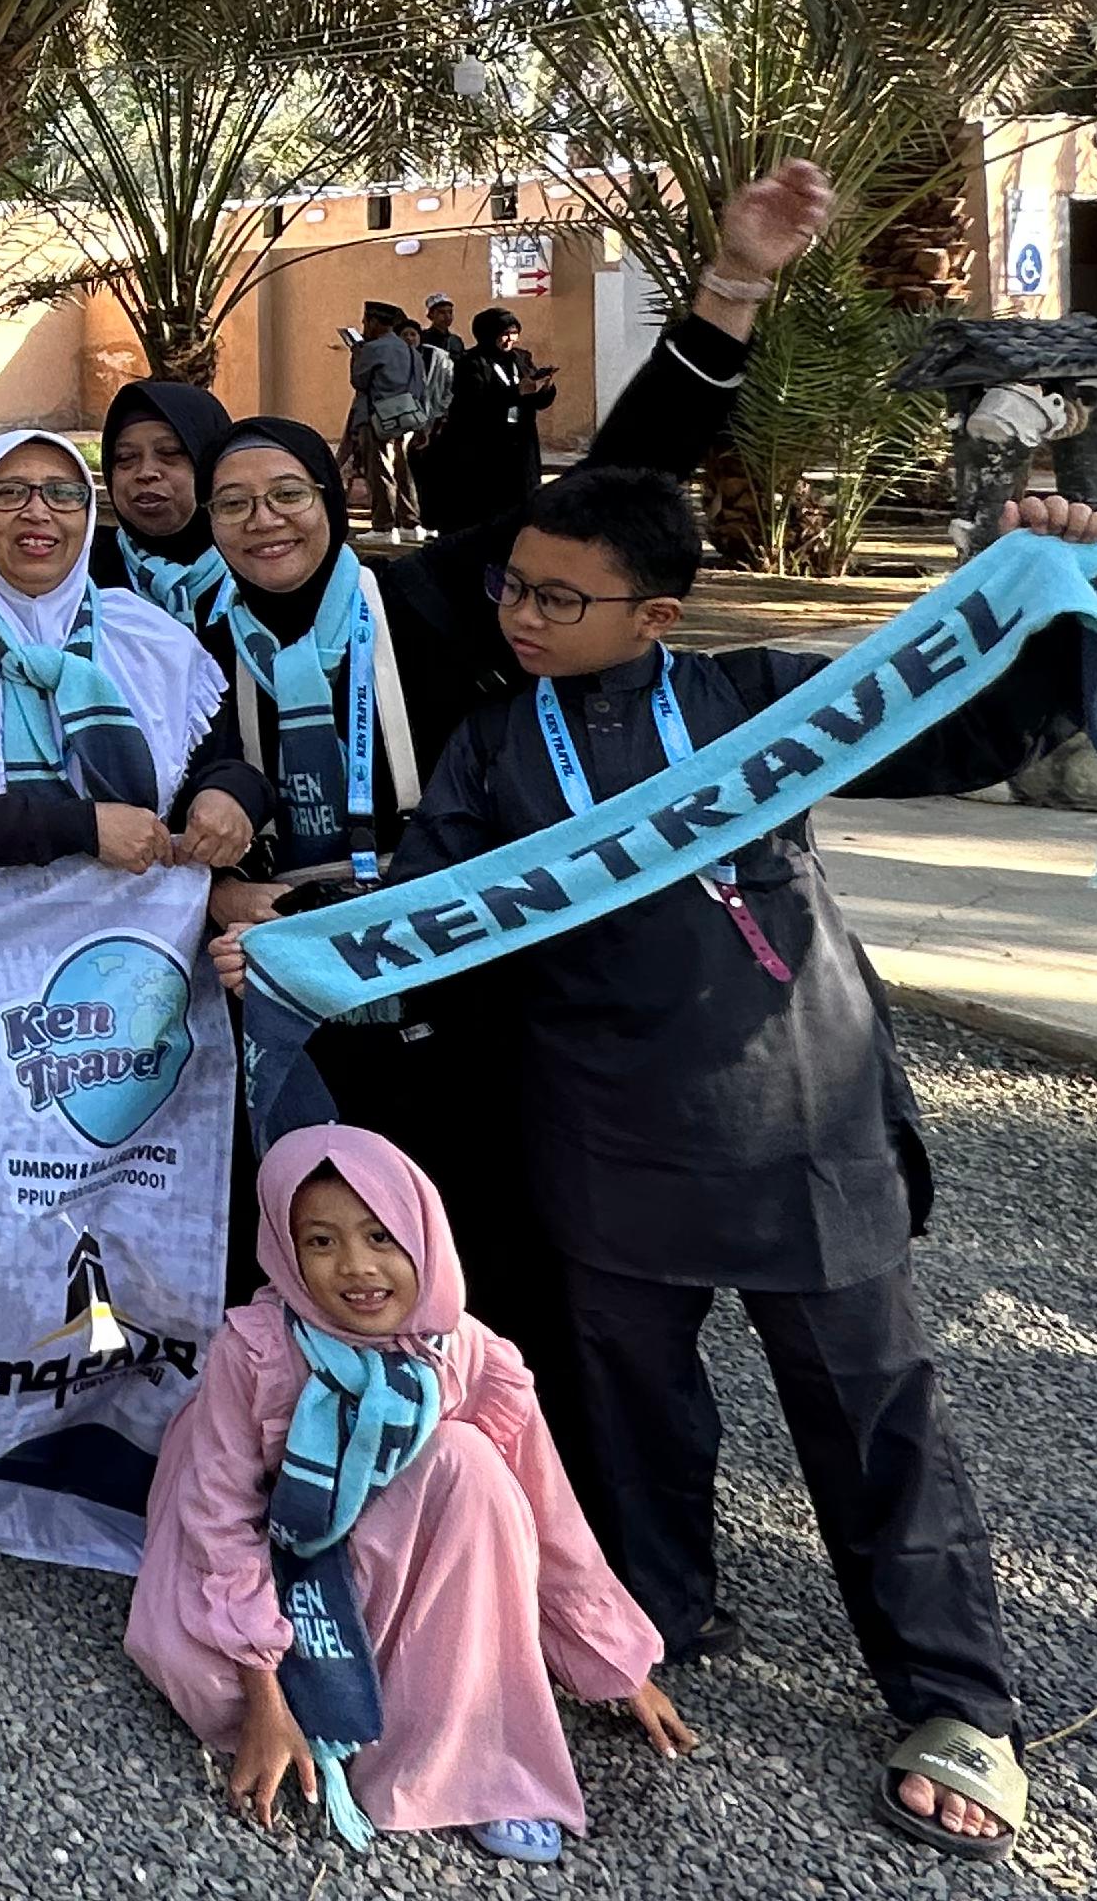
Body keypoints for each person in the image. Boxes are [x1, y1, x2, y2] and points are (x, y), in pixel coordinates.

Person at [372, 466, 1097, 1862]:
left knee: (872, 1413)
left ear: (654, 615)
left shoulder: (754, 702)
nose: (519, 614)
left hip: (802, 1116)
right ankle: (652, 1616)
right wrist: (296, 945)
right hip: (601, 1124)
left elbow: (954, 735)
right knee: (629, 1404)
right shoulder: (493, 742)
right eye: (511, 585)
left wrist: (1049, 605)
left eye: (557, 598)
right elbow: (423, 910)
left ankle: (954, 1698)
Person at [190, 162, 832, 1377]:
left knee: (480, 1246)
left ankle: (497, 1452)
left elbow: (622, 477)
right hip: (280, 987)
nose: (263, 520)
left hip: (457, 987)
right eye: (233, 504)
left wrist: (733, 288)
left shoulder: (436, 600)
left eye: (288, 493)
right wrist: (221, 893)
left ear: (333, 499)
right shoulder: (186, 651)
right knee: (301, 1243)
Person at [127, 1124, 688, 1865]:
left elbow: (550, 1513)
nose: (356, 1267)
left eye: (380, 1236)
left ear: (424, 1234)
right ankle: (347, 1699)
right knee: (209, 1682)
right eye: (320, 1242)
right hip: (275, 1555)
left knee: (475, 1465)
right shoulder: (259, 1349)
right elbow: (218, 1517)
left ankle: (476, 1754)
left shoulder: (464, 1350)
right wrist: (264, 1690)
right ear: (285, 1251)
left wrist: (616, 1661)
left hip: (389, 1559)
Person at [0, 432, 267, 873]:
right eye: (8, 493)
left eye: (64, 493)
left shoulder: (145, 633)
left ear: (87, 515)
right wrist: (82, 828)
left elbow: (222, 760)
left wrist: (228, 793)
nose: (37, 511)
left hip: (133, 907)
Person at [90, 378, 234, 631]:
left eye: (170, 453)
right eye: (125, 458)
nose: (146, 472)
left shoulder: (260, 565)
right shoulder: (80, 574)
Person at [414, 308, 557, 538]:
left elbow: (533, 400)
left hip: (519, 442)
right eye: (504, 334)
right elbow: (474, 401)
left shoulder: (520, 359)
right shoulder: (471, 362)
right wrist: (516, 392)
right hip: (484, 445)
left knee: (521, 496)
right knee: (486, 502)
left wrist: (545, 389)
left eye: (513, 333)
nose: (509, 340)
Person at [343, 306, 428, 536]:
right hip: (407, 417)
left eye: (366, 322)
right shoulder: (410, 350)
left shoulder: (372, 349)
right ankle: (411, 523)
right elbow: (421, 387)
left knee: (380, 471)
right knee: (403, 471)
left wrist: (356, 355)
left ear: (374, 322)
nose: (364, 327)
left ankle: (383, 525)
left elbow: (359, 381)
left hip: (377, 418)